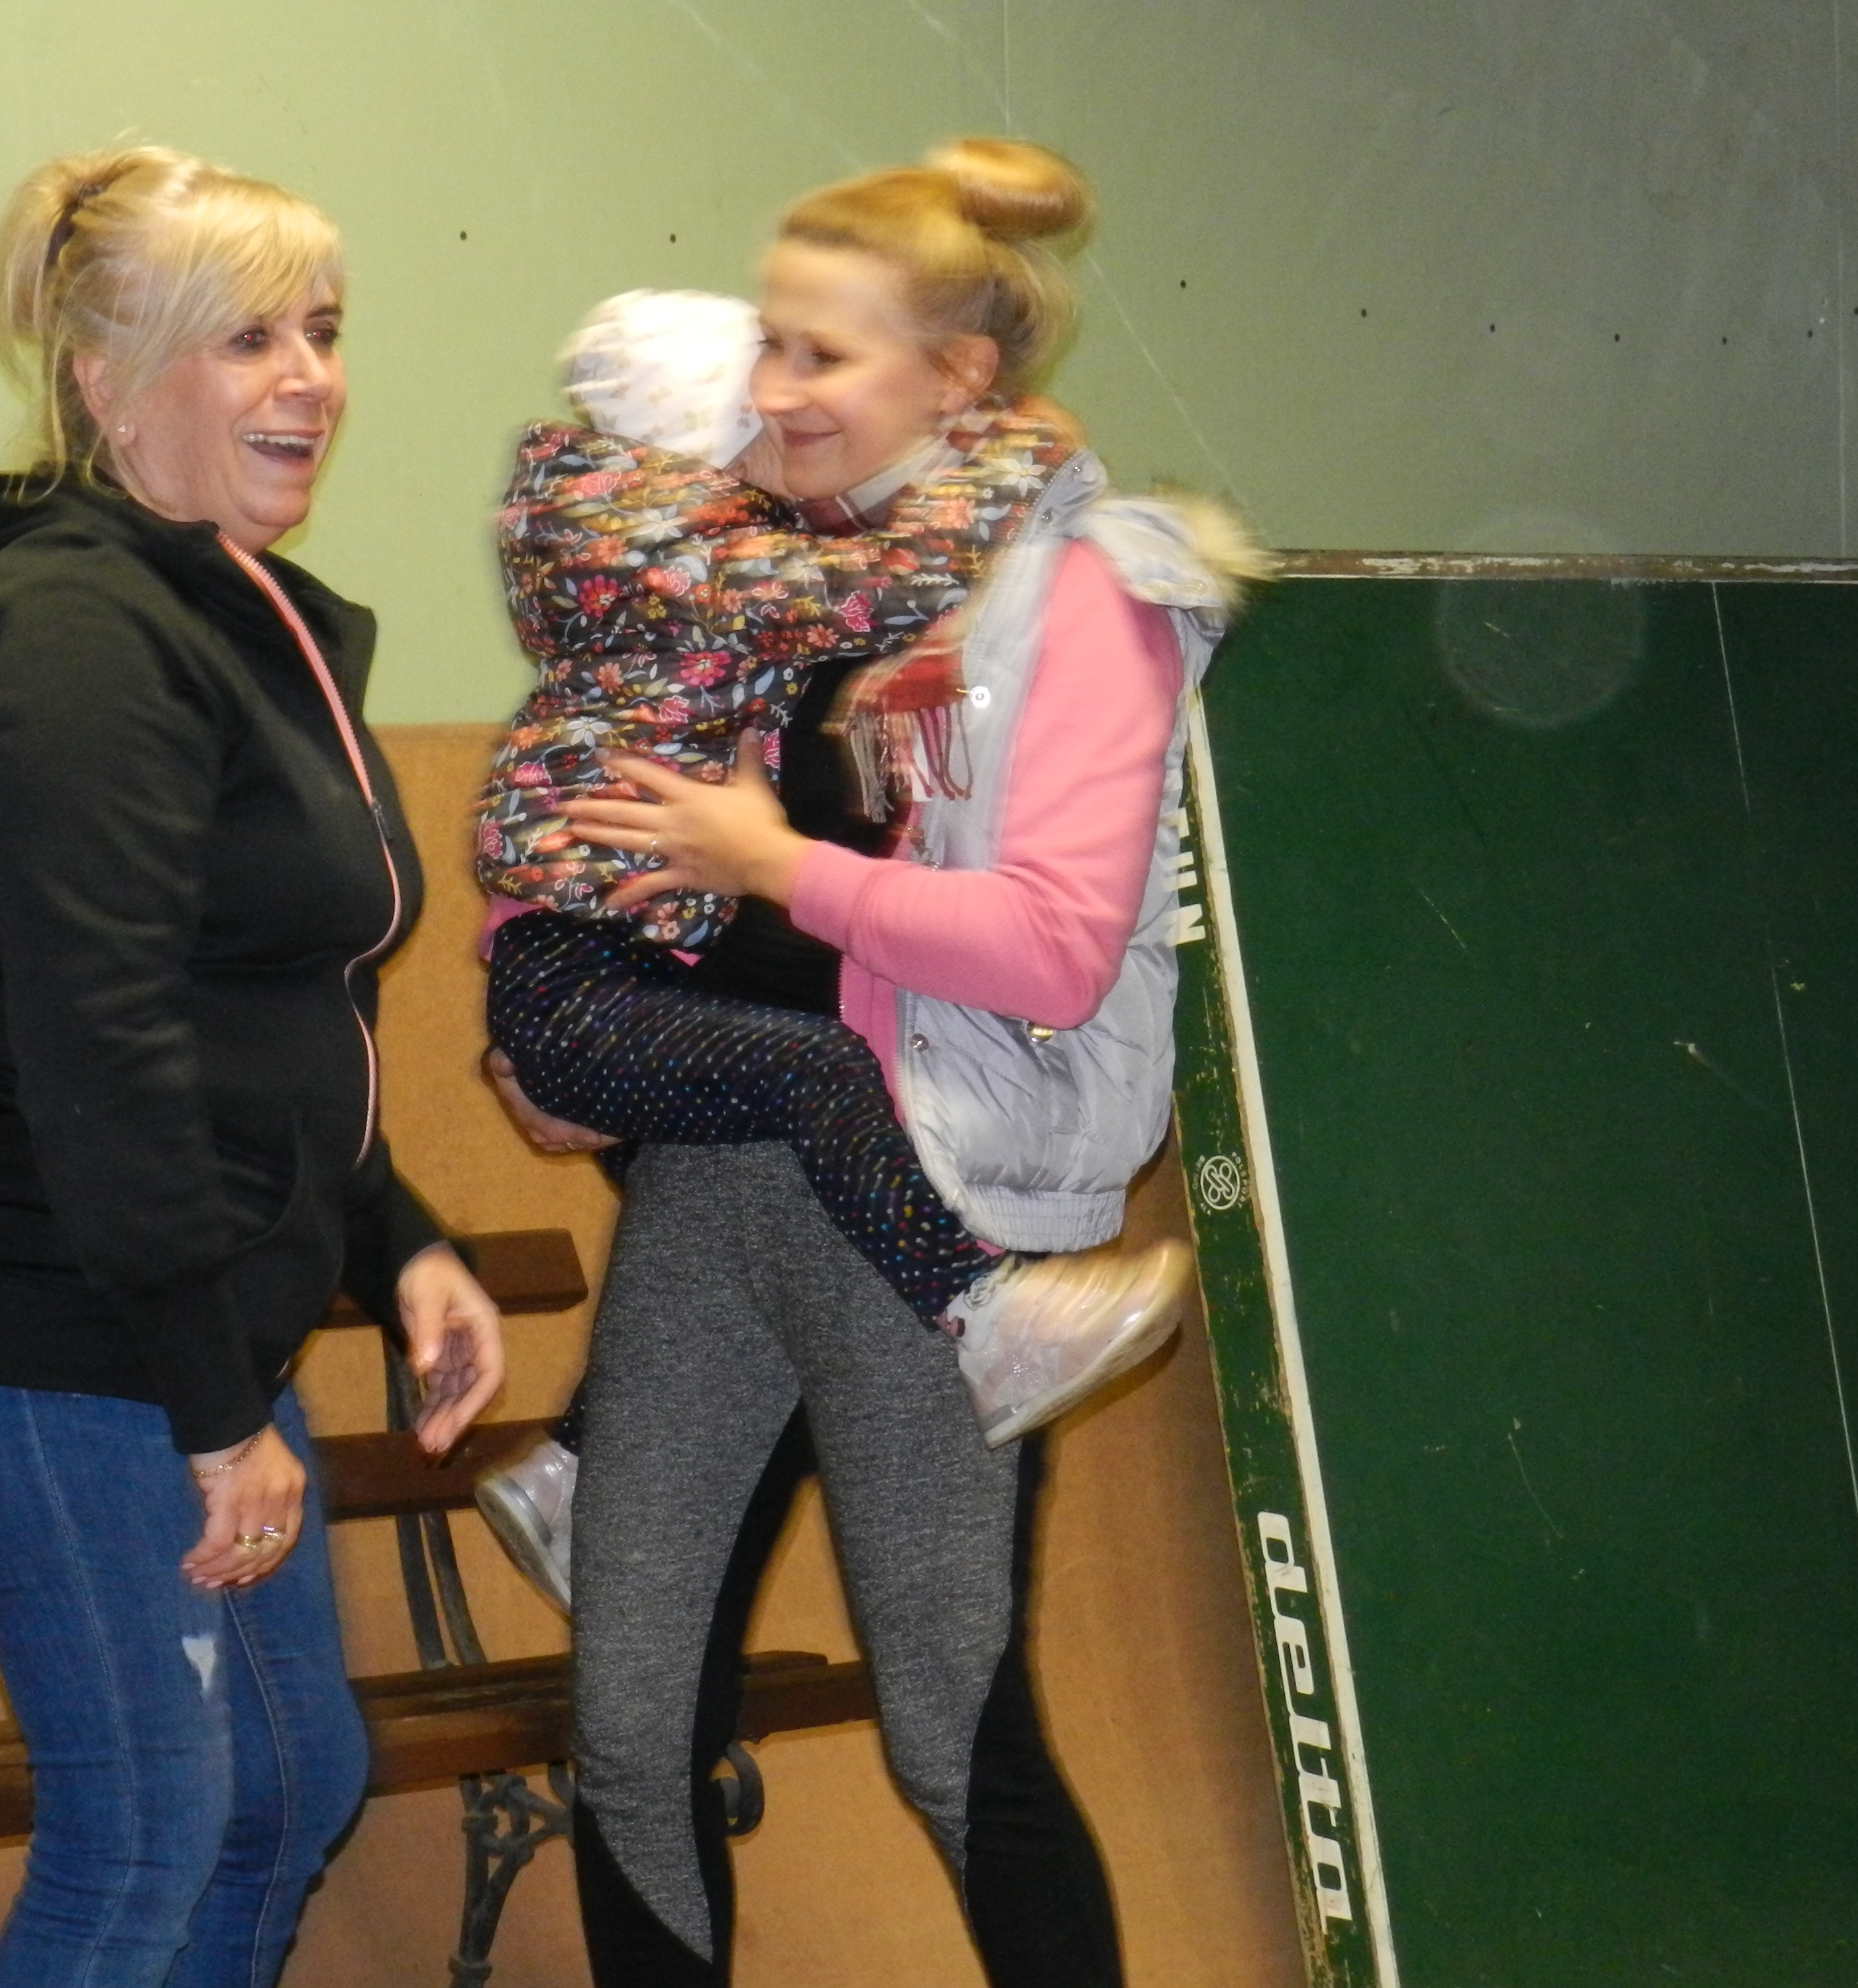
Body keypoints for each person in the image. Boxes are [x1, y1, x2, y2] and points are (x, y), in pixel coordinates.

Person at [483, 139, 1258, 1987]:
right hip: (716, 1193)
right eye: (768, 341)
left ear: (956, 378)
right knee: (630, 1731)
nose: (770, 388)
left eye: (821, 354)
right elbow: (662, 854)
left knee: (945, 1739)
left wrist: (773, 867)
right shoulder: (779, 556)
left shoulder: (1078, 592)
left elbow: (1051, 950)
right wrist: (600, 1048)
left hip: (925, 1210)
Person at [0, 146, 504, 1988]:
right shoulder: (75, 633)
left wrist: (399, 1241)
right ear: (105, 382)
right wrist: (214, 1407)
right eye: (246, 339)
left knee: (283, 1787)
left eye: (324, 331)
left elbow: (258, 1007)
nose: (309, 379)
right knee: (145, 1828)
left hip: (164, 1290)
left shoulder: (225, 610)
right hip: (35, 1299)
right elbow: (102, 1039)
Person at [469, 288, 1195, 1614]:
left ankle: (579, 1467)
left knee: (779, 1197)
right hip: (634, 992)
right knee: (801, 1109)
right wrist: (1023, 458)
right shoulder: (698, 548)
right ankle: (978, 1319)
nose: (794, 414)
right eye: (769, 393)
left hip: (695, 1007)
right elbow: (876, 606)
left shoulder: (709, 541)